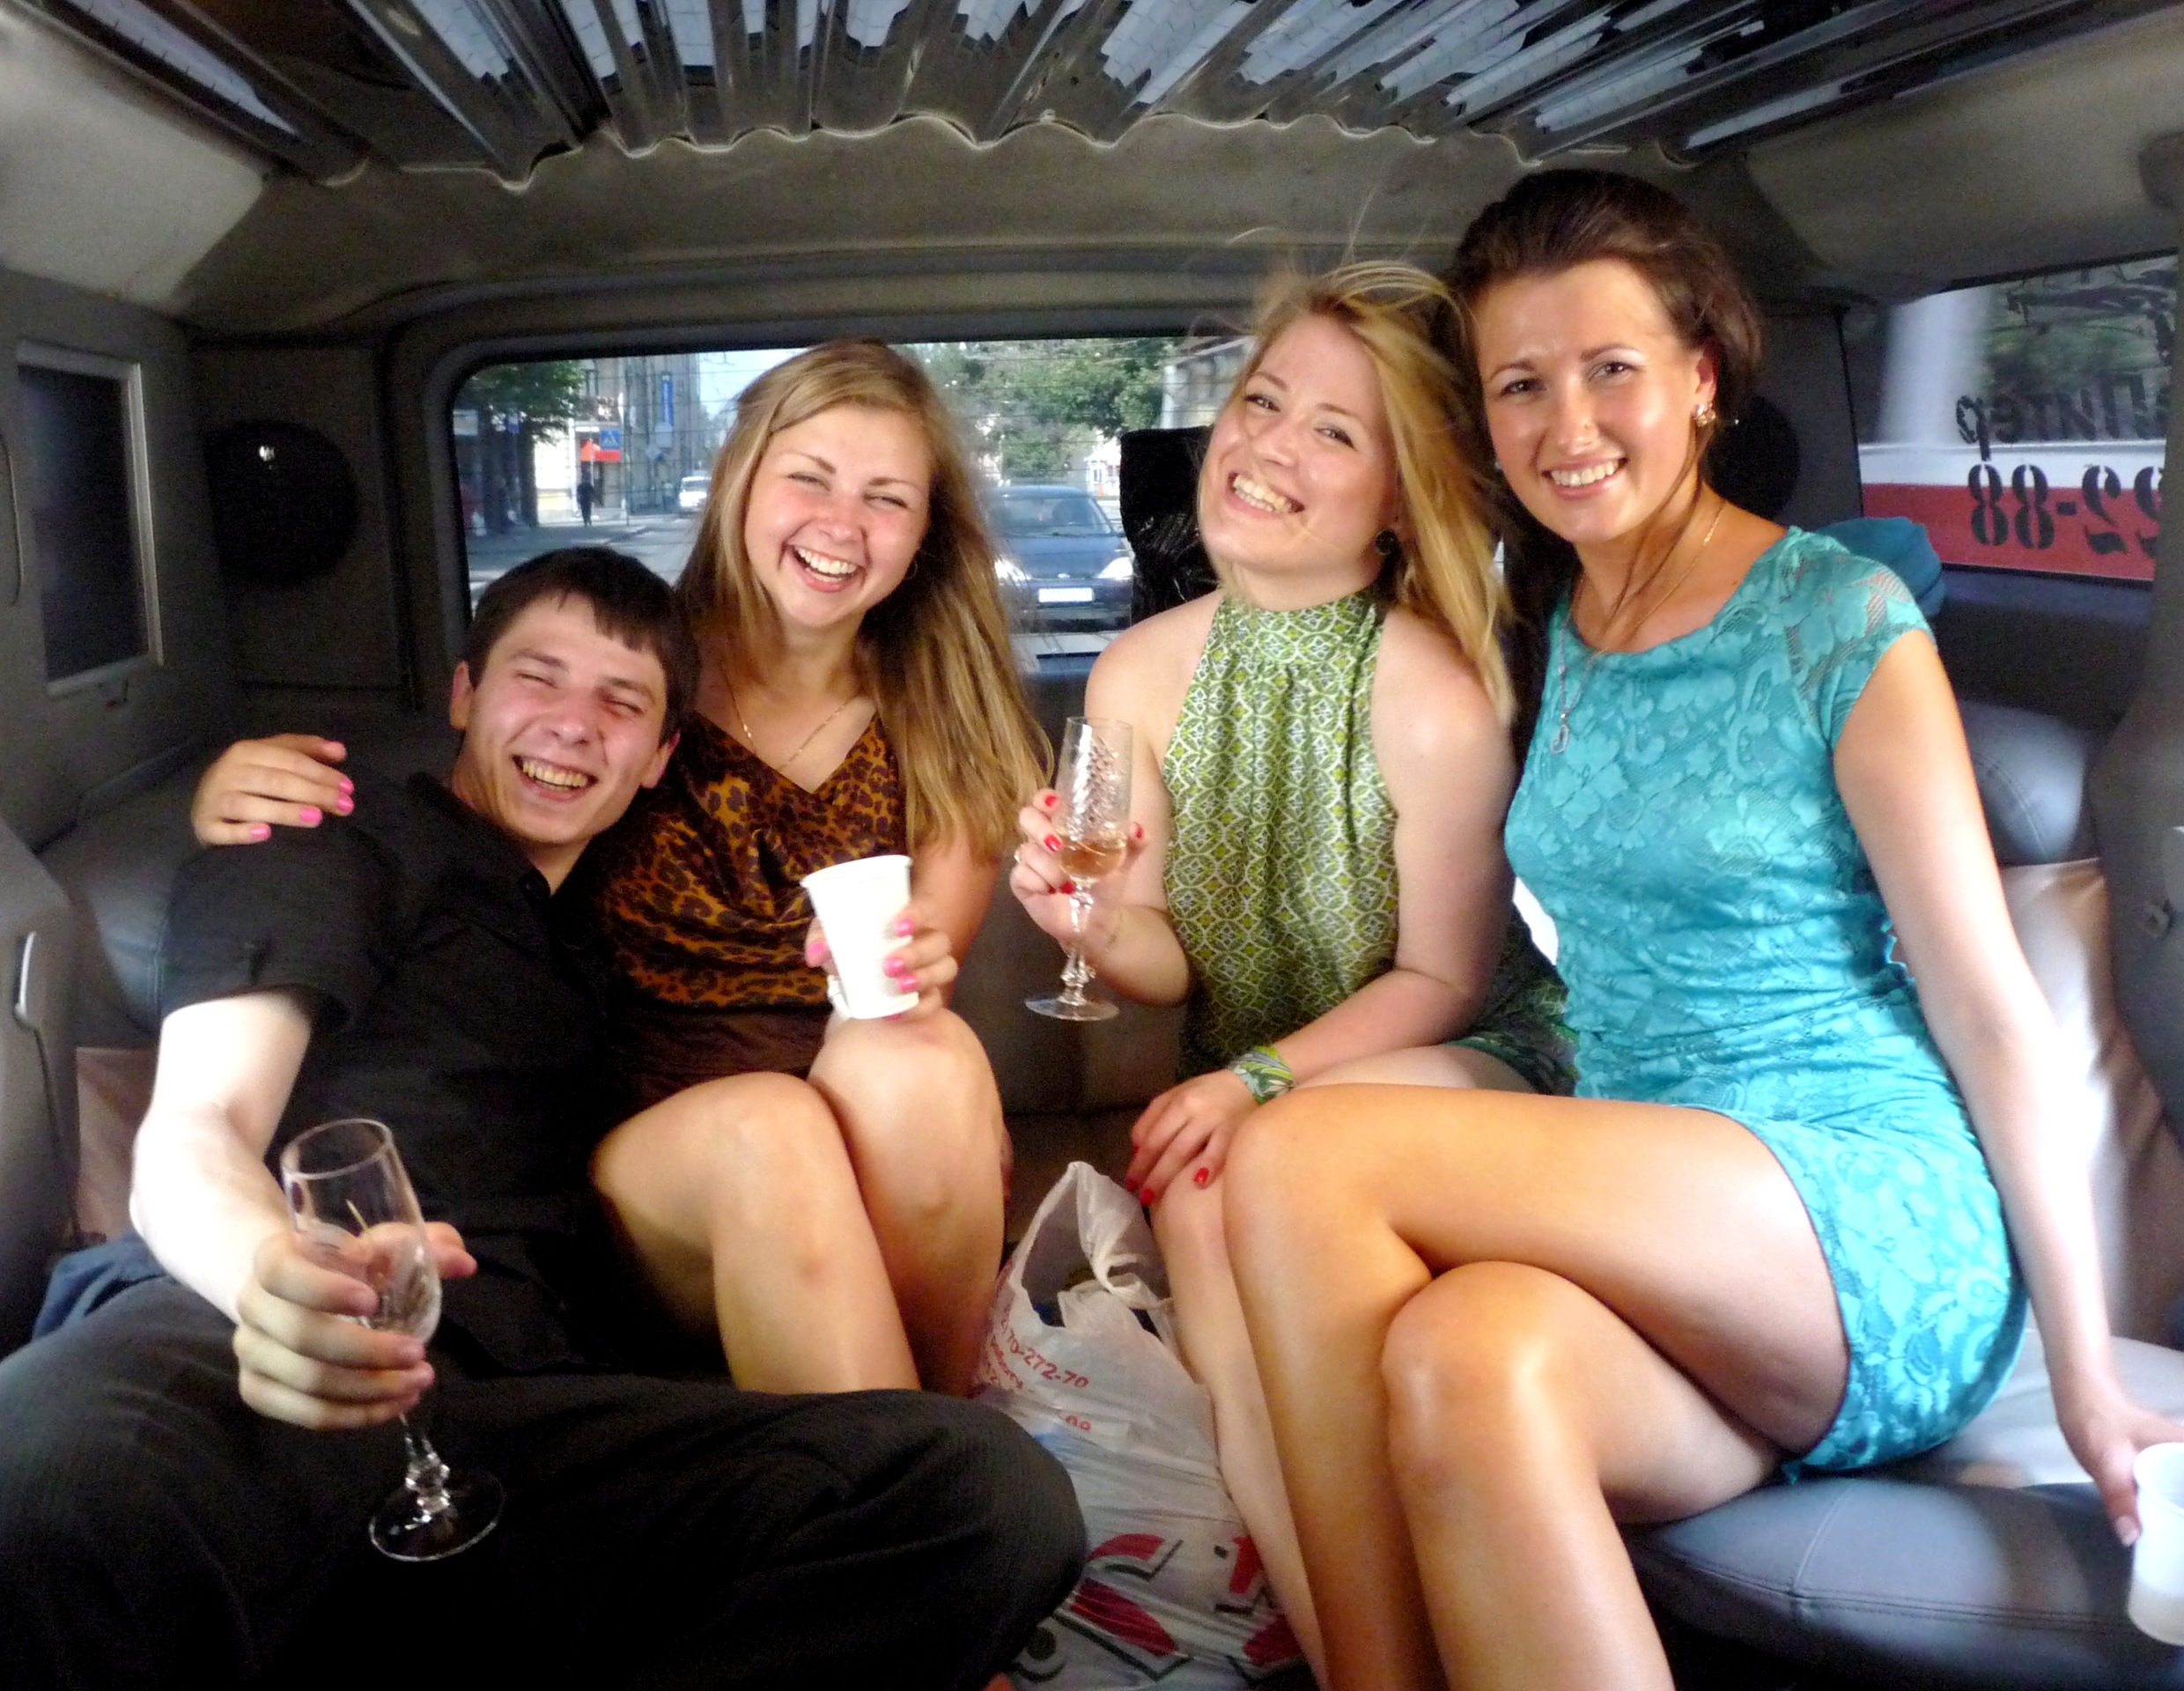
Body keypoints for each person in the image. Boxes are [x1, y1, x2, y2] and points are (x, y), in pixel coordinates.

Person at [1221, 169, 2184, 1690]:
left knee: (1298, 1151)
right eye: (1520, 385)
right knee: (1465, 1356)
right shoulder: (1553, 624)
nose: (1568, 425)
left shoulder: (1836, 619)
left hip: (1859, 1213)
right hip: (1665, 1208)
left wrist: (2085, 1379)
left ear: (1701, 380)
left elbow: (1987, 1010)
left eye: (1611, 368)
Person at [0, 548, 1084, 1689]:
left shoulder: (606, 924)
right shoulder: (338, 838)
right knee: (51, 1485)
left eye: (622, 702)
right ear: (464, 695)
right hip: (246, 1335)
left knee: (986, 1496)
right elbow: (196, 1129)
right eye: (538, 677)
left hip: (522, 1397)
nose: (573, 725)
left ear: (659, 758)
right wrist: (269, 1276)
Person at [193, 343, 1047, 1399]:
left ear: (923, 535)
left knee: (921, 1056)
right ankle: (904, 1466)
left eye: (887, 498)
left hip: (865, 1119)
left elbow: (919, 978)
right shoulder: (636, 678)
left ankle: (953, 1427)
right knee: (768, 1127)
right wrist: (242, 788)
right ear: (739, 482)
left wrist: (919, 973)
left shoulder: (948, 715)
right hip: (643, 1162)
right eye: (810, 478)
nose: (841, 524)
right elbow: (483, 811)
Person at [1007, 263, 1575, 1680]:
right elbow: (1161, 960)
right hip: (1260, 1085)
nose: (1267, 449)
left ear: (1401, 499)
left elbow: (1446, 978)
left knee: (1249, 1164)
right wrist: (1087, 924)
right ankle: (1350, 1655)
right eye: (1262, 404)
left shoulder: (1432, 696)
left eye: (1335, 432)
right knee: (1204, 1203)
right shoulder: (1136, 673)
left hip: (1462, 1052)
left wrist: (1258, 1078)